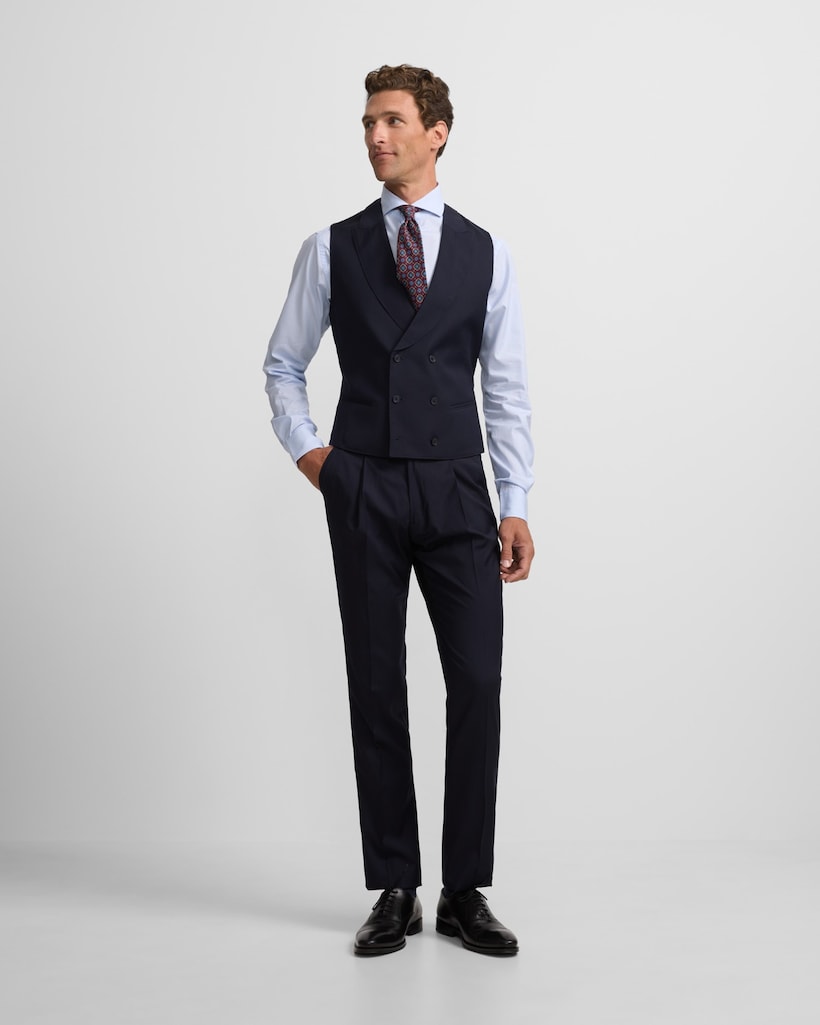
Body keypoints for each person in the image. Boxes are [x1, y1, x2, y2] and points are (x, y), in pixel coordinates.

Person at [263, 64, 535, 957]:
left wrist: (515, 499)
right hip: (366, 487)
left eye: (391, 121)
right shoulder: (331, 247)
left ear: (436, 131)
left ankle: (464, 889)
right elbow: (283, 364)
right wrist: (317, 458)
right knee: (377, 685)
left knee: (478, 683)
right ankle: (394, 885)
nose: (375, 137)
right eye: (368, 123)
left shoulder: (487, 252)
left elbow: (505, 387)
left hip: (459, 488)